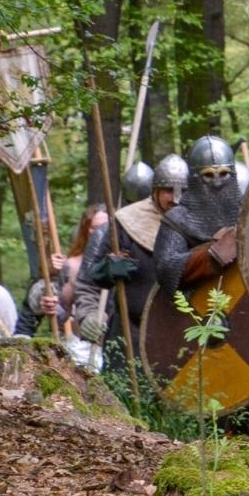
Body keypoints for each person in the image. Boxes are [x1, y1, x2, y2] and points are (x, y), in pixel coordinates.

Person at [74, 154, 188, 364]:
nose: (176, 198)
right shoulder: (124, 224)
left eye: (183, 191)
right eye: (169, 190)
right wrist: (89, 313)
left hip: (184, 335)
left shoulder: (197, 224)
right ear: (155, 190)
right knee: (125, 395)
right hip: (130, 335)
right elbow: (88, 283)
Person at [154, 136, 242, 294]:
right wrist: (210, 257)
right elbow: (166, 270)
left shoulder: (245, 213)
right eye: (208, 175)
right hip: (197, 307)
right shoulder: (178, 219)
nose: (217, 182)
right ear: (194, 178)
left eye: (223, 173)